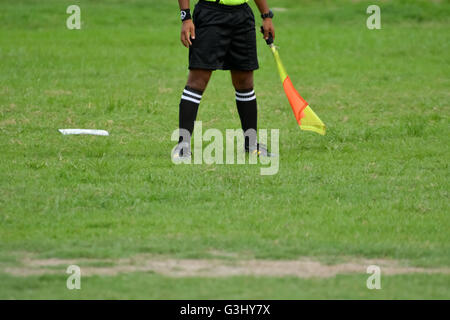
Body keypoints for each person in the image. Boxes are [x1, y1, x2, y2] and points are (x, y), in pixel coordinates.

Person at [173, 0, 275, 161]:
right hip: (210, 13)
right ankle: (182, 145)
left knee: (245, 82)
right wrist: (186, 18)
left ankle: (251, 144)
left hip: (242, 16)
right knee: (198, 80)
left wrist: (266, 16)